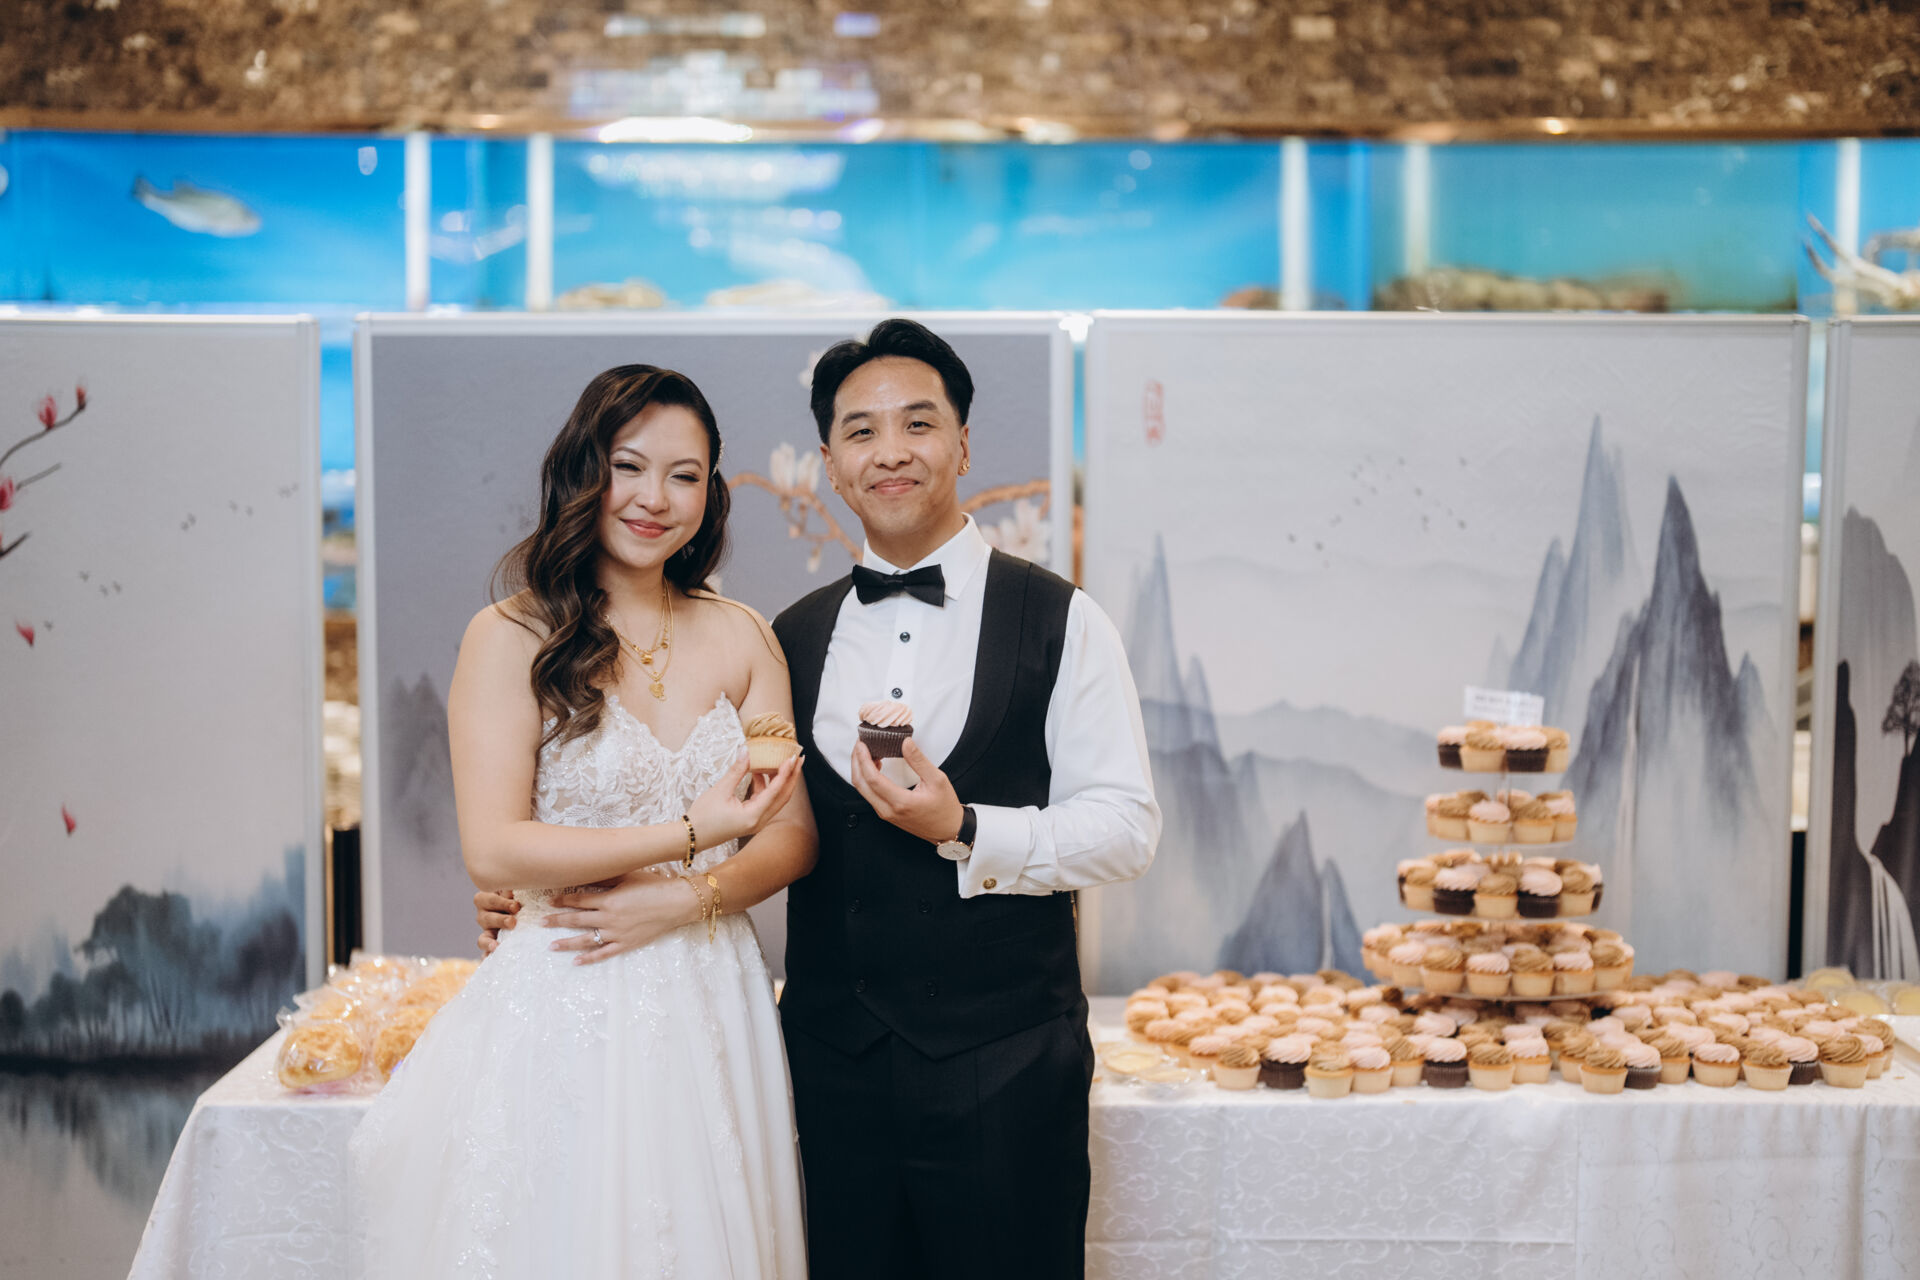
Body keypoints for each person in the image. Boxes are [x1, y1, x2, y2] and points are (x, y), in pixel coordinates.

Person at [480, 319, 1160, 1278]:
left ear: (963, 444)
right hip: (829, 1069)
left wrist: (967, 827)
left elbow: (1127, 829)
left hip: (1006, 1063)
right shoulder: (783, 638)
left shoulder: (1063, 620)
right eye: (860, 431)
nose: (891, 451)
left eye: (918, 423)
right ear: (831, 464)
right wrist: (527, 887)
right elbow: (757, 817)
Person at [353, 364, 814, 1279]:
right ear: (582, 471)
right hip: (567, 986)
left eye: (684, 476)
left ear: (710, 494)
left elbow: (792, 832)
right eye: (627, 467)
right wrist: (688, 836)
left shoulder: (744, 635)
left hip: (712, 993)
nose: (653, 499)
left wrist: (688, 899)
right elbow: (494, 847)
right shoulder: (509, 634)